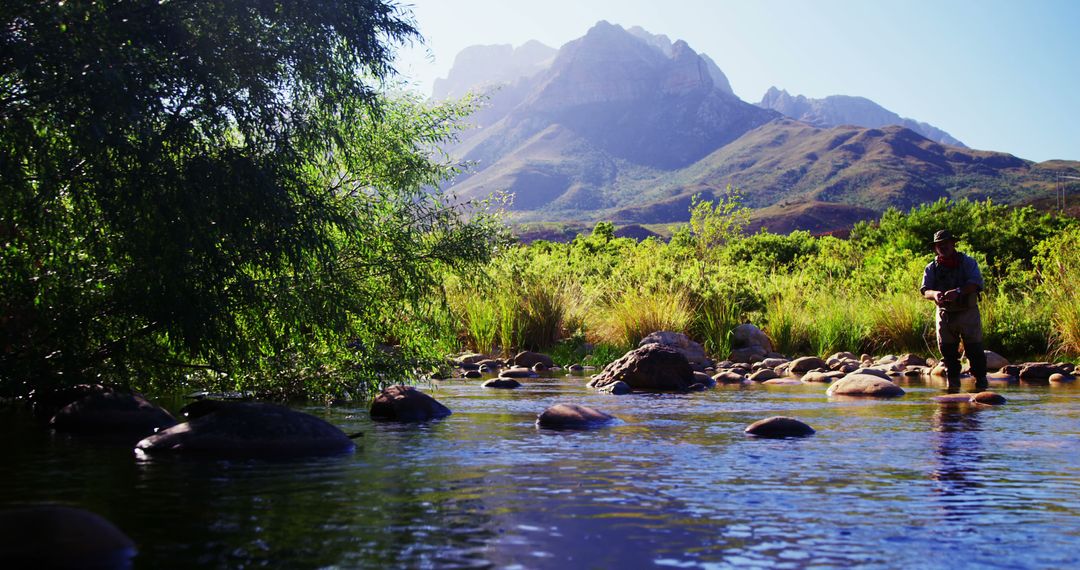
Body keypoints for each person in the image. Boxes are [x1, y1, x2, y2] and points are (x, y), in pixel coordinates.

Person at [920, 230, 988, 393]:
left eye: (945, 243)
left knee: (975, 351)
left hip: (968, 313)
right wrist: (935, 294)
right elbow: (925, 290)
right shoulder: (931, 268)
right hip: (944, 315)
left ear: (953, 244)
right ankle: (953, 388)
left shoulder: (968, 263)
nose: (942, 247)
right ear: (935, 248)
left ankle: (981, 386)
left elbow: (976, 284)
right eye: (939, 245)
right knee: (948, 354)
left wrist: (958, 291)